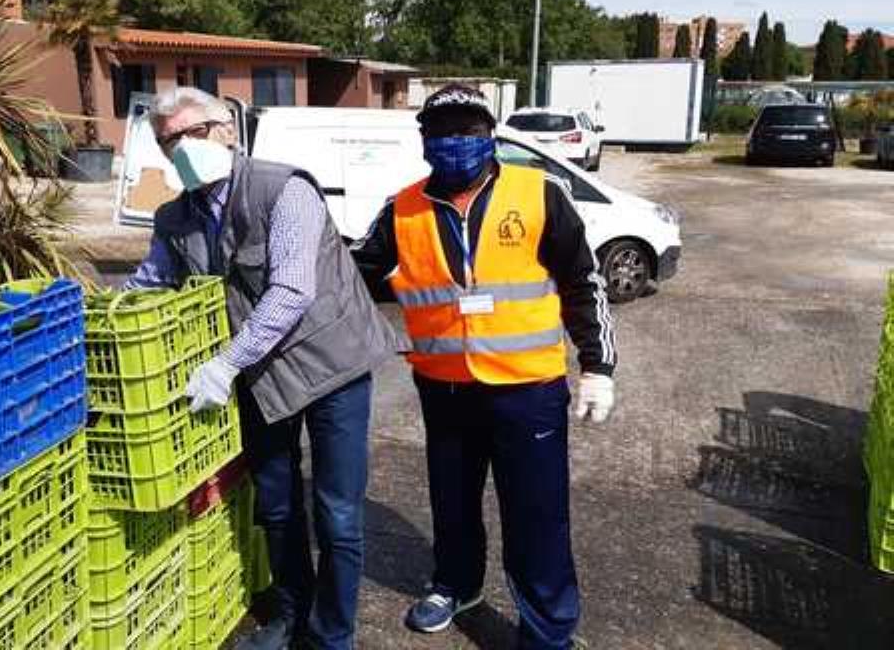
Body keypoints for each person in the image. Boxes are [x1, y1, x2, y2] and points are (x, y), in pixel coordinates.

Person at [126, 87, 399, 650]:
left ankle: (332, 635)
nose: (180, 148)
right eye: (166, 141)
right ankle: (291, 615)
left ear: (225, 128)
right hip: (261, 375)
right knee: (276, 504)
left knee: (337, 513)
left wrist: (225, 362)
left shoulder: (284, 188)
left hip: (331, 366)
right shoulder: (174, 216)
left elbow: (292, 291)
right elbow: (149, 283)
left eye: (190, 134)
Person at [350, 84, 617, 649]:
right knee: (452, 501)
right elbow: (352, 277)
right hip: (444, 390)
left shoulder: (540, 192)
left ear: (489, 134)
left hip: (528, 390)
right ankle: (456, 585)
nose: (455, 143)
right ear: (424, 140)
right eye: (442, 132)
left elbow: (582, 281)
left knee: (538, 516)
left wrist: (598, 365)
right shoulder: (402, 210)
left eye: (468, 130)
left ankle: (547, 631)